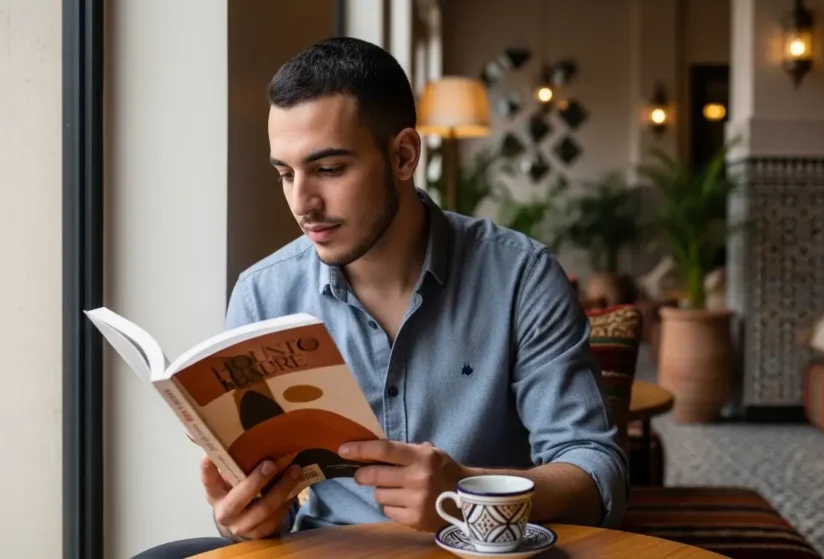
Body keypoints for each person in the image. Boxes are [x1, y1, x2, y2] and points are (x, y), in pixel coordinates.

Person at [135, 36, 627, 558]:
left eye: (328, 170)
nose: (303, 202)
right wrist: (243, 517)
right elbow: (258, 509)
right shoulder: (264, 293)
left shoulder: (520, 275)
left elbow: (599, 473)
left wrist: (465, 492)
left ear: (403, 155)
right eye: (286, 174)